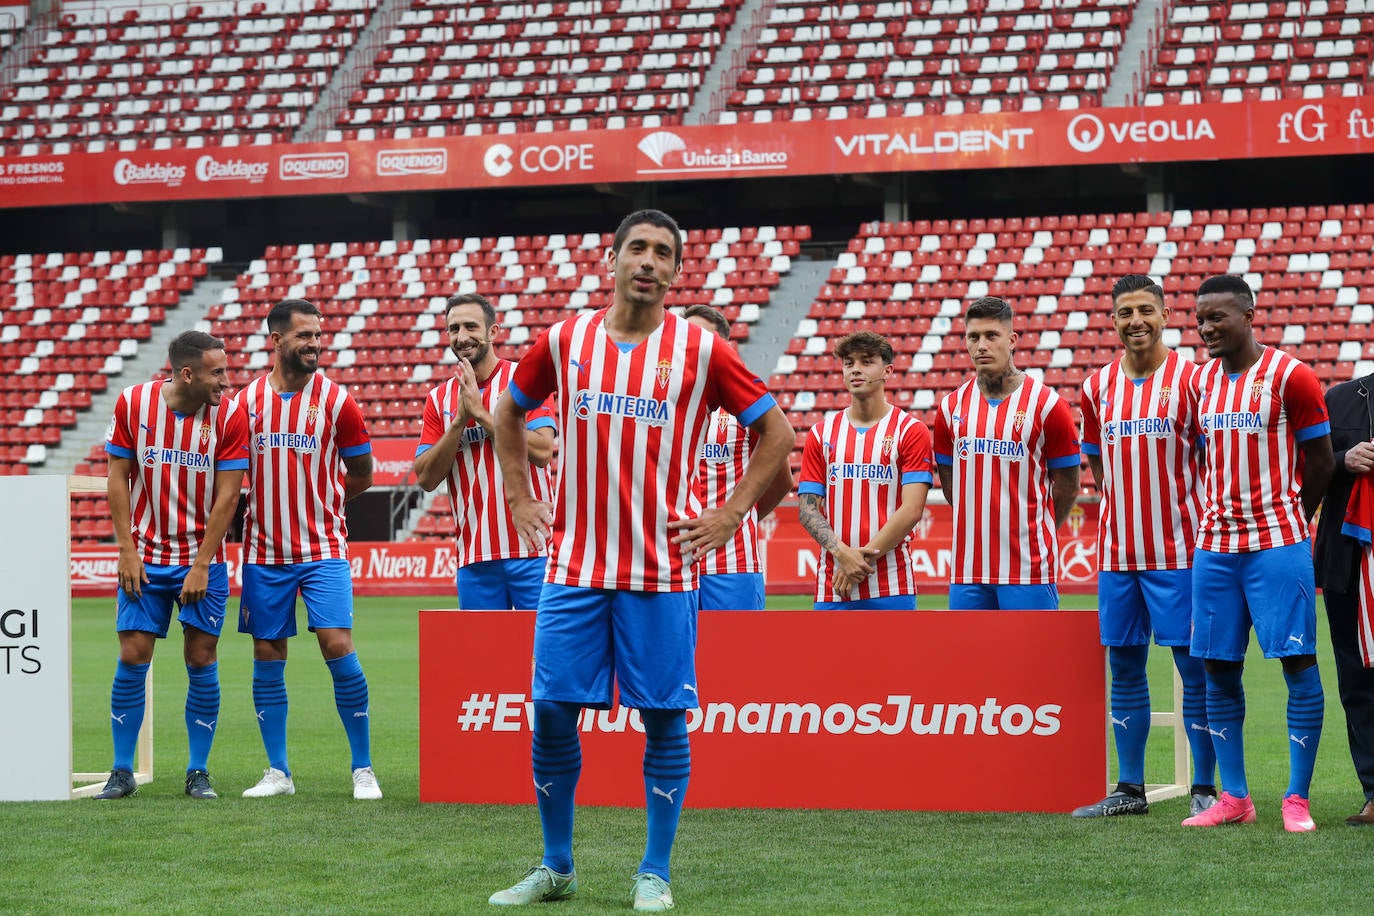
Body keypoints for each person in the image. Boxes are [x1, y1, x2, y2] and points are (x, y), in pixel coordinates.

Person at [488, 210, 794, 911]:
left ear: (678, 271)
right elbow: (508, 413)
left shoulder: (702, 350)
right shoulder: (567, 339)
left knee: (662, 719)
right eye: (638, 249)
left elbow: (776, 435)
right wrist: (518, 497)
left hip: (661, 569)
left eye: (663, 252)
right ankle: (556, 866)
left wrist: (729, 514)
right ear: (612, 259)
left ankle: (653, 871)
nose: (648, 262)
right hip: (574, 567)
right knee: (552, 712)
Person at [1181, 274, 1333, 832]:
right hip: (1216, 550)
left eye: (1218, 317)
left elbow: (1322, 462)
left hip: (1277, 546)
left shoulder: (1291, 377)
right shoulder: (1199, 383)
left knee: (1297, 664)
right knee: (1218, 670)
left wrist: (1291, 513)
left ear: (1248, 314)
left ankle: (1297, 799)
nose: (1207, 328)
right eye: (1200, 319)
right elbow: (1205, 457)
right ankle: (1236, 797)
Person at [1072, 275, 1217, 818]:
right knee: (1125, 668)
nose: (1136, 321)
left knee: (1194, 667)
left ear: (1164, 314)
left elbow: (1213, 457)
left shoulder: (1193, 380)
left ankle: (1205, 784)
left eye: (1145, 311)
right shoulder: (1097, 386)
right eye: (1125, 312)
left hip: (1181, 553)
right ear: (1112, 319)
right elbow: (1096, 460)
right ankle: (1129, 790)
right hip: (1116, 555)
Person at [235, 298, 382, 801]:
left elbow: (363, 473)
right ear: (275, 341)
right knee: (267, 651)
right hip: (263, 552)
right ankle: (278, 772)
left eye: (318, 335)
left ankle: (363, 768)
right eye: (303, 336)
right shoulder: (244, 403)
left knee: (338, 645)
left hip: (323, 548)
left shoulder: (339, 401)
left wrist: (324, 501)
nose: (314, 343)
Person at [94, 331, 249, 800]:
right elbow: (117, 477)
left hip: (202, 561)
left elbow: (229, 496)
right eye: (217, 372)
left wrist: (202, 563)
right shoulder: (134, 403)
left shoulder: (231, 415)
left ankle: (197, 771)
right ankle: (121, 772)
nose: (226, 379)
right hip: (144, 559)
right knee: (132, 656)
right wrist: (126, 548)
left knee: (200, 658)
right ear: (187, 373)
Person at [932, 296, 1081, 610]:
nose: (982, 345)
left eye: (991, 336)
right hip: (968, 570)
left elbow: (1068, 485)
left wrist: (1038, 527)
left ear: (1012, 340)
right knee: (970, 660)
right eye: (974, 337)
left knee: (1032, 660)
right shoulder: (950, 408)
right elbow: (950, 484)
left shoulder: (1048, 405)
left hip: (1029, 569)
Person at [413, 292, 557, 609]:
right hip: (475, 556)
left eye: (470, 327)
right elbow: (425, 477)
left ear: (492, 332)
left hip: (533, 551)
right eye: (454, 329)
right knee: (485, 658)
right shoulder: (439, 399)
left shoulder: (524, 380)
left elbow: (543, 449)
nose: (462, 337)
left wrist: (481, 415)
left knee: (542, 656)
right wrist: (458, 422)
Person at [797, 330, 932, 609]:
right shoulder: (821, 433)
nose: (855, 369)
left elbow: (911, 510)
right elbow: (808, 508)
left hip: (892, 584)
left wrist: (857, 561)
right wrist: (841, 553)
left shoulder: (910, 430)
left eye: (866, 361)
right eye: (849, 363)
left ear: (887, 371)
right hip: (832, 586)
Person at [683, 303, 793, 611]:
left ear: (723, 345)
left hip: (732, 564)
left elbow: (782, 479)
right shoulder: (665, 405)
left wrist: (738, 518)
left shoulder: (745, 408)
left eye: (703, 337)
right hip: (670, 564)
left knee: (735, 656)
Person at [1311, 370, 1374, 825]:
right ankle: (1373, 792)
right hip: (1348, 563)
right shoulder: (1339, 398)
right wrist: (1342, 459)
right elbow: (1305, 468)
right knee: (1356, 681)